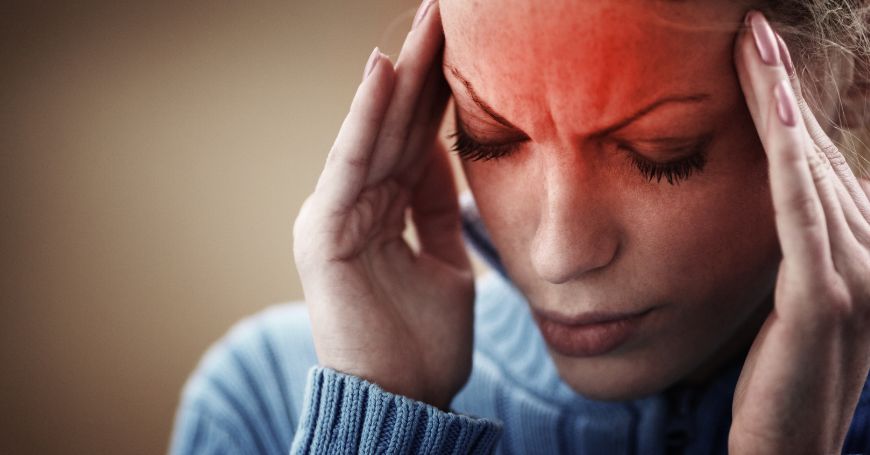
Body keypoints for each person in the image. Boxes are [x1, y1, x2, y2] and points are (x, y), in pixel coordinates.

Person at [171, 0, 870, 453]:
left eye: (664, 151)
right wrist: (375, 422)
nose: (558, 253)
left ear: (852, 82)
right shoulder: (263, 399)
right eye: (487, 138)